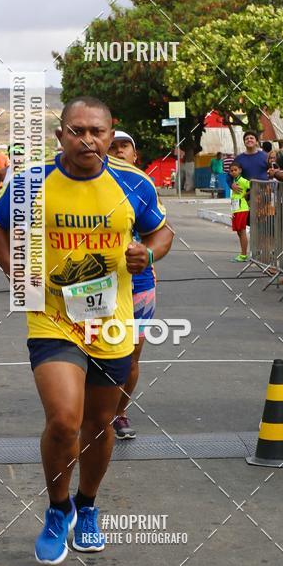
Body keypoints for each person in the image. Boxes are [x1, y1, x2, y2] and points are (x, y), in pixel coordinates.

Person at [0, 97, 172, 566]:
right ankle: (56, 509)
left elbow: (162, 232)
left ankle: (86, 506)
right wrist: (15, 273)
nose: (88, 139)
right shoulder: (32, 182)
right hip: (53, 316)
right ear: (60, 135)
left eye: (97, 131)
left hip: (111, 321)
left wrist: (148, 254)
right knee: (65, 420)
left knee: (99, 424)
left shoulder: (134, 182)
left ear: (110, 134)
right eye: (77, 130)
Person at [107, 130, 174, 440]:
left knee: (130, 356)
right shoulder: (86, 183)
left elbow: (162, 232)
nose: (119, 151)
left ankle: (118, 412)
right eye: (113, 147)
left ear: (135, 155)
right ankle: (92, 411)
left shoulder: (142, 186)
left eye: (125, 146)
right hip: (96, 284)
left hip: (139, 284)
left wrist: (148, 255)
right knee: (90, 350)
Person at [229, 161, 250, 262]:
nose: (233, 172)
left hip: (242, 209)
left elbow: (252, 186)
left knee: (242, 231)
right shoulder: (234, 181)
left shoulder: (243, 181)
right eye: (231, 170)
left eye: (235, 170)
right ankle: (243, 253)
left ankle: (244, 255)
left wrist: (247, 195)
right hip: (236, 209)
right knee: (239, 232)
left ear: (240, 170)